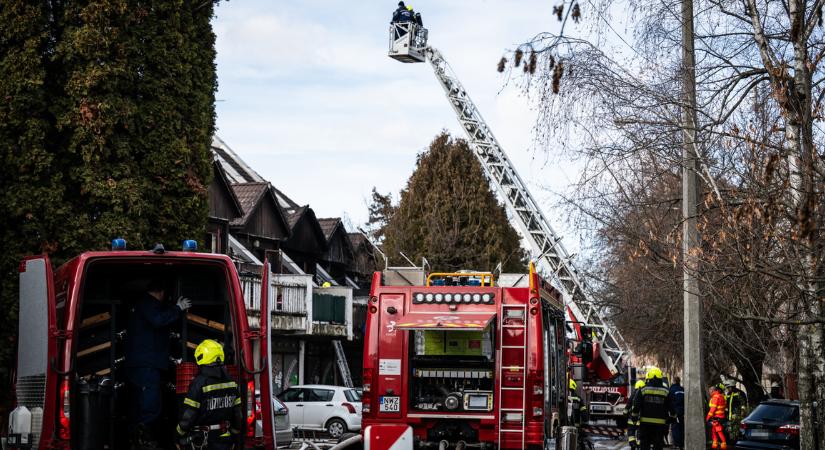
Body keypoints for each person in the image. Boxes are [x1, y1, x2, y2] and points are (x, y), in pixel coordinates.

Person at [126, 278, 192, 450]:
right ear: (161, 292)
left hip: (140, 364)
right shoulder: (149, 304)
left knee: (140, 404)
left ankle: (136, 440)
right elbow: (159, 320)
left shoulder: (140, 305)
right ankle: (144, 442)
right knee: (150, 405)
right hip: (147, 364)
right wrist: (178, 308)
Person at [176, 340, 244, 450]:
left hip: (203, 441)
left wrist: (178, 435)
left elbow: (188, 416)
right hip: (225, 440)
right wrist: (234, 435)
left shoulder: (199, 383)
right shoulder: (232, 382)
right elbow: (237, 415)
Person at [631, 367, 674, 450]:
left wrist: (634, 417)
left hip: (645, 424)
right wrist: (672, 418)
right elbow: (671, 407)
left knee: (644, 444)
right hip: (660, 425)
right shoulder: (666, 391)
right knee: (658, 444)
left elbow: (636, 406)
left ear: (649, 378)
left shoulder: (642, 390)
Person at [706, 385, 729, 450]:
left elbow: (712, 409)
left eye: (709, 391)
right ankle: (715, 445)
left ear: (712, 390)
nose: (709, 392)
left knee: (719, 431)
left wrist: (707, 418)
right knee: (714, 431)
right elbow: (724, 407)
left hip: (717, 417)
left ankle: (723, 445)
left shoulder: (715, 397)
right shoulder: (721, 396)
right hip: (721, 416)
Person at [627, 380, 646, 450]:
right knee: (639, 431)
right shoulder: (644, 395)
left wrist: (625, 413)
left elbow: (628, 404)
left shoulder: (633, 394)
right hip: (640, 418)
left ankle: (632, 443)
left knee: (631, 431)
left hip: (631, 418)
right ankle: (638, 444)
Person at [669, 377, 685, 449]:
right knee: (681, 427)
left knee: (675, 427)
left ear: (674, 381)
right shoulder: (682, 389)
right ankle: (681, 444)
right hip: (682, 411)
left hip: (674, 411)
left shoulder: (672, 389)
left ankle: (676, 444)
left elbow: (669, 400)